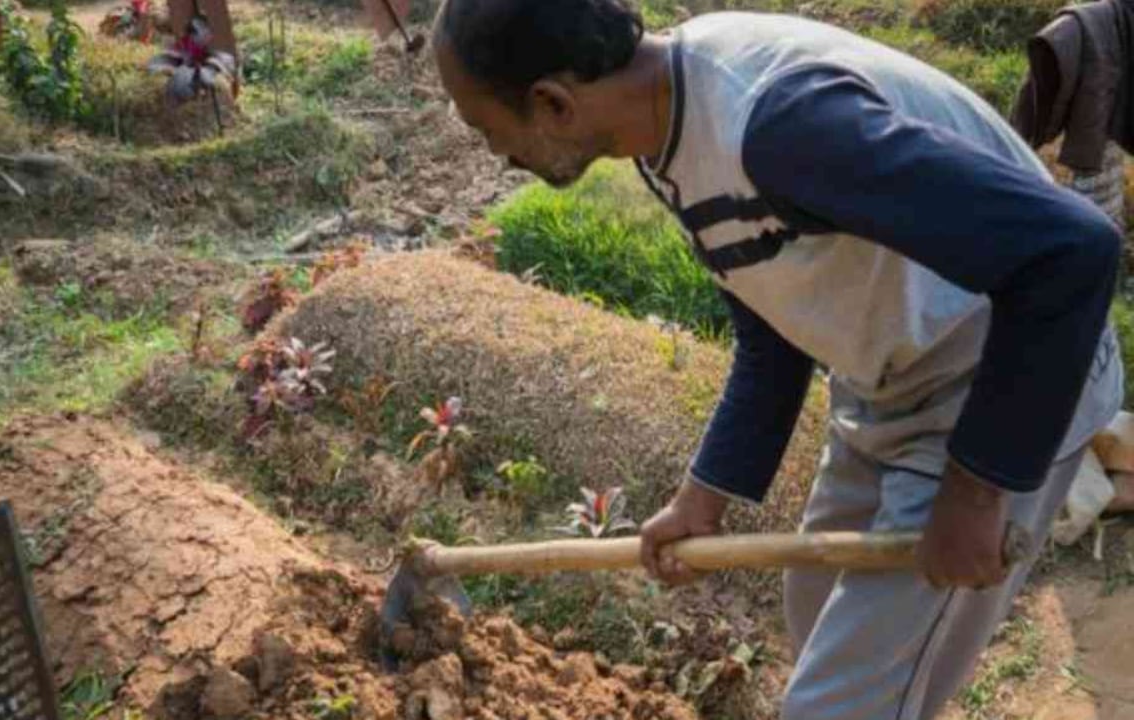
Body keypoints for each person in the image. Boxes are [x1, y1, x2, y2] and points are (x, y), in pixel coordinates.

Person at [431, 1, 1125, 718]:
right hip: (889, 380)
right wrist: (702, 499)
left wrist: (977, 491)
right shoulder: (662, 126)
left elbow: (1072, 252)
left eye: (487, 130)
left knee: (840, 705)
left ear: (552, 102)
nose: (496, 156)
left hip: (996, 383)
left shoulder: (781, 125)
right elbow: (772, 324)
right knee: (815, 610)